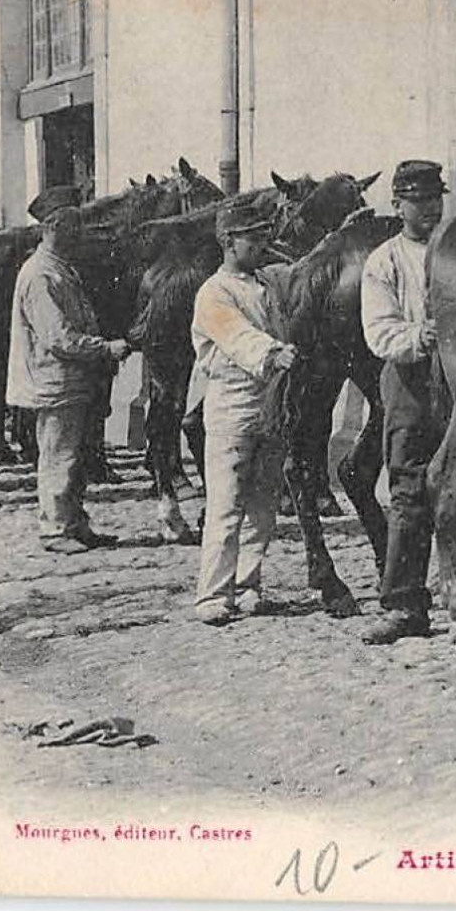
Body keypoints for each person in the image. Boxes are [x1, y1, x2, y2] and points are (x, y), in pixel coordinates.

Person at [359, 160, 456, 662]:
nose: (429, 208)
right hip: (411, 380)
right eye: (417, 201)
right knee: (409, 486)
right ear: (397, 205)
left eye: (435, 199)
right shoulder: (385, 261)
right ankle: (403, 603)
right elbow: (377, 330)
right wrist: (418, 337)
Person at [7, 185, 131, 553]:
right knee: (58, 455)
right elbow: (58, 337)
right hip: (55, 380)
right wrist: (105, 348)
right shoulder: (40, 275)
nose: (79, 233)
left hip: (72, 379)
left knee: (74, 456)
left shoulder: (59, 268)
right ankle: (55, 530)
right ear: (55, 226)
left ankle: (76, 524)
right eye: (74, 225)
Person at [190, 203, 297, 625]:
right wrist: (273, 352)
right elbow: (236, 335)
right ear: (227, 242)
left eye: (263, 235)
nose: (260, 244)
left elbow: (300, 274)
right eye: (250, 237)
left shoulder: (266, 281)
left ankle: (248, 584)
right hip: (231, 405)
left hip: (267, 403)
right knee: (225, 503)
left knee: (262, 504)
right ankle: (213, 595)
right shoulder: (214, 292)